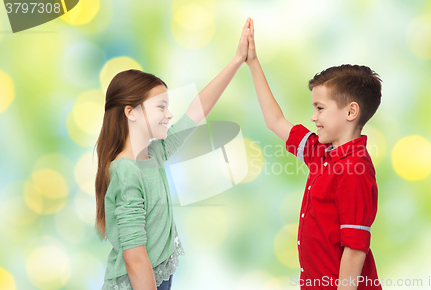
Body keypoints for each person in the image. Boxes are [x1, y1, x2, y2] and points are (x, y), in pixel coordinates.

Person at [94, 18, 253, 290]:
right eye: (161, 107)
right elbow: (135, 260)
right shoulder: (127, 172)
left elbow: (196, 111)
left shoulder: (154, 153)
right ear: (131, 113)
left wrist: (237, 61)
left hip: (158, 278)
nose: (169, 114)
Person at [245, 19, 383, 290]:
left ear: (350, 112)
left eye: (320, 108)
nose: (313, 117)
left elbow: (355, 250)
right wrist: (252, 62)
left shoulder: (355, 170)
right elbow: (275, 121)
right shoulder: (322, 154)